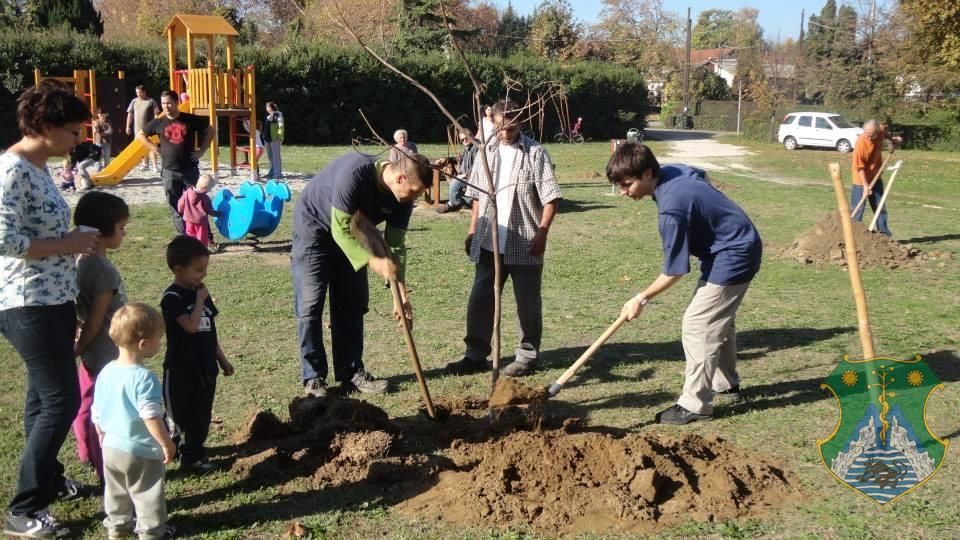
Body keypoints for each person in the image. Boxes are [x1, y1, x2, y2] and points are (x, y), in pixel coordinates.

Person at [0, 79, 100, 539]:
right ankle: (24, 509)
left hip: (54, 299)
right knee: (60, 401)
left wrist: (72, 250)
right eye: (74, 131)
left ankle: (48, 478)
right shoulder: (12, 169)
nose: (78, 140)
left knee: (42, 398)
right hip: (27, 304)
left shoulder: (40, 168)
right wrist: (68, 244)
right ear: (45, 125)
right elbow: (4, 239)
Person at [606, 143, 762, 425]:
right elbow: (698, 174)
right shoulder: (673, 171)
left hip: (734, 253)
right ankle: (725, 383)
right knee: (718, 318)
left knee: (698, 323)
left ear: (648, 173)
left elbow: (675, 270)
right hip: (731, 246)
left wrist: (640, 298)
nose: (623, 192)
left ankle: (695, 405)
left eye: (627, 184)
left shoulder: (671, 211)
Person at [292, 151, 432, 397]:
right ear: (400, 178)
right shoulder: (356, 173)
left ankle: (351, 372)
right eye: (414, 191)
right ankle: (313, 378)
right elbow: (339, 229)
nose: (414, 198)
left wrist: (400, 295)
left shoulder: (403, 199)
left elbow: (395, 247)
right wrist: (374, 262)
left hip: (354, 235)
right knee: (310, 306)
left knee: (352, 303)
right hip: (314, 231)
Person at [445, 99, 562, 377]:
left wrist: (542, 233)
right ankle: (475, 355)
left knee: (528, 303)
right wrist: (472, 230)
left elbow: (551, 198)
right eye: (500, 126)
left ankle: (527, 356)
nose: (505, 132)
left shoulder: (535, 153)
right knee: (480, 299)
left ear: (520, 121)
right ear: (493, 122)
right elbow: (475, 198)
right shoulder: (486, 152)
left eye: (510, 126)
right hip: (489, 240)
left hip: (524, 240)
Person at [92, 303, 176, 540]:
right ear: (143, 344)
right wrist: (166, 443)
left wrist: (102, 435)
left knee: (116, 491)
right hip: (139, 450)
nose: (160, 343)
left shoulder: (106, 371)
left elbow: (96, 410)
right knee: (147, 493)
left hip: (110, 447)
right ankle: (152, 533)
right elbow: (150, 416)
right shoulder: (144, 378)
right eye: (159, 338)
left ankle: (117, 528)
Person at [160, 236, 234, 473]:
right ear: (178, 270)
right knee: (175, 417)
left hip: (205, 368)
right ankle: (162, 453)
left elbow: (208, 332)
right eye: (198, 270)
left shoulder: (200, 293)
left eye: (205, 269)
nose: (203, 275)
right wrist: (200, 300)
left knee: (201, 416)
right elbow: (190, 326)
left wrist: (222, 360)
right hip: (181, 369)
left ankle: (193, 456)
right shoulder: (173, 298)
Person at [72, 192, 130, 487]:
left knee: (85, 403)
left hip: (91, 355)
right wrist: (80, 346)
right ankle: (105, 467)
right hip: (107, 353)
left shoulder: (80, 262)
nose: (124, 232)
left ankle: (84, 451)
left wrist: (80, 347)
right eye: (121, 228)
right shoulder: (103, 270)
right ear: (103, 231)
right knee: (104, 414)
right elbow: (95, 320)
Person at [136, 90, 215, 235]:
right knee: (176, 206)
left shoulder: (189, 119)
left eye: (169, 103)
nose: (166, 106)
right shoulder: (158, 122)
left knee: (197, 204)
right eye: (163, 103)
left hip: (189, 170)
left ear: (176, 102)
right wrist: (155, 148)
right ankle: (185, 237)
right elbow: (140, 135)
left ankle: (207, 237)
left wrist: (201, 150)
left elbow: (210, 131)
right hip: (169, 172)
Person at [851, 119, 901, 236]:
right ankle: (855, 235)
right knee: (858, 209)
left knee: (879, 205)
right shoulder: (861, 143)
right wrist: (865, 186)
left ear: (877, 131)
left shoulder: (880, 131)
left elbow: (885, 133)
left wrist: (892, 140)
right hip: (860, 179)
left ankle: (884, 234)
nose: (868, 137)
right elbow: (859, 167)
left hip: (876, 175)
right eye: (866, 134)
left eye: (871, 135)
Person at [436, 128, 477, 214]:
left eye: (466, 138)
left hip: (473, 178)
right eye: (462, 140)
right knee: (453, 181)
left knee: (455, 183)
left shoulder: (476, 148)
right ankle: (459, 203)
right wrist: (447, 159)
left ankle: (455, 204)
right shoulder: (468, 148)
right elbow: (461, 158)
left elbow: (477, 167)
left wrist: (465, 175)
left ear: (472, 136)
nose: (464, 141)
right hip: (465, 176)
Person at [177, 174, 220, 248]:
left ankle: (192, 251)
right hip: (200, 222)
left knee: (190, 236)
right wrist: (218, 213)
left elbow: (180, 204)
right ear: (204, 188)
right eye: (210, 189)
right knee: (202, 238)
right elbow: (210, 211)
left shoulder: (186, 193)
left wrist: (180, 210)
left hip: (188, 221)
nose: (210, 190)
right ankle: (201, 251)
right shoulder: (205, 198)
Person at [126, 85, 160, 173]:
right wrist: (128, 126)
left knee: (150, 146)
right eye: (137, 92)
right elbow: (130, 114)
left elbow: (156, 113)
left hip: (149, 128)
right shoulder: (134, 101)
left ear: (144, 92)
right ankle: (144, 164)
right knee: (139, 147)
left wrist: (155, 125)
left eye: (140, 92)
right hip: (137, 129)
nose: (138, 94)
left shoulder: (151, 101)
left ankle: (155, 165)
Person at [263, 102, 284, 179]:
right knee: (270, 156)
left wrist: (280, 137)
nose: (266, 108)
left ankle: (277, 174)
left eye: (267, 107)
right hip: (267, 139)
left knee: (276, 156)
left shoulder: (278, 115)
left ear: (270, 107)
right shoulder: (268, 117)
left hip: (275, 138)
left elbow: (281, 126)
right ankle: (272, 172)